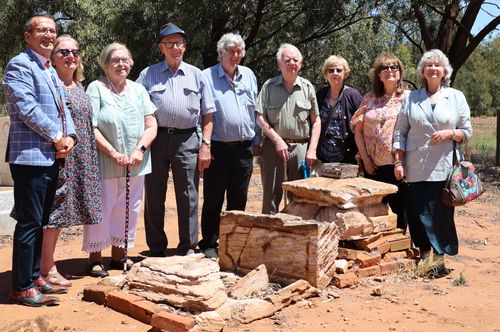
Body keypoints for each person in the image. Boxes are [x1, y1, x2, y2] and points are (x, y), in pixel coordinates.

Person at [3, 14, 76, 306]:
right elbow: (26, 108)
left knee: (41, 221)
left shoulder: (48, 68)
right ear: (27, 36)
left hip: (50, 155)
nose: (48, 35)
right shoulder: (20, 64)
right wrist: (57, 137)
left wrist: (69, 136)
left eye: (52, 31)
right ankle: (21, 286)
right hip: (30, 156)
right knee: (29, 222)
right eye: (42, 30)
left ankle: (35, 277)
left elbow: (62, 108)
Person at [137, 23, 215, 257]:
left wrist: (205, 145)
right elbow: (136, 107)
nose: (175, 48)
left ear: (185, 46)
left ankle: (188, 246)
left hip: (187, 139)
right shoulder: (147, 74)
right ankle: (156, 247)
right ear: (161, 48)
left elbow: (208, 114)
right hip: (156, 139)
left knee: (188, 194)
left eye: (179, 43)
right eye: (169, 44)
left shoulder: (196, 75)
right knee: (153, 193)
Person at [393, 49, 472, 277]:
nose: (433, 68)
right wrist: (399, 162)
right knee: (417, 213)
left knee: (440, 214)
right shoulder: (411, 98)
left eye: (438, 65)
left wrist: (449, 134)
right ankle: (424, 255)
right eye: (429, 65)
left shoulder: (456, 97)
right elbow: (400, 132)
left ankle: (438, 260)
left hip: (445, 166)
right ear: (422, 71)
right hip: (416, 165)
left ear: (445, 71)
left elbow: (467, 132)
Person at [83, 43, 157, 277]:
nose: (120, 64)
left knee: (129, 208)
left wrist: (140, 150)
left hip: (136, 164)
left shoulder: (139, 90)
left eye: (125, 60)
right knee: (102, 210)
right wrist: (113, 153)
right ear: (105, 64)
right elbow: (89, 126)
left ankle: (119, 255)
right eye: (115, 60)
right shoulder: (96, 88)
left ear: (131, 63)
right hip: (105, 163)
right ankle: (95, 258)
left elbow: (152, 124)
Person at [39, 35, 103, 286]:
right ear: (53, 58)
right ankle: (47, 267)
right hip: (61, 156)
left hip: (83, 159)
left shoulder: (80, 88)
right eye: (63, 51)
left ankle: (45, 265)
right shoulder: (50, 84)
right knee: (54, 213)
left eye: (75, 51)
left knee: (63, 213)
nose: (71, 56)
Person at [199, 33, 258, 258]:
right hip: (218, 148)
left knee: (239, 197)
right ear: (221, 53)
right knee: (213, 197)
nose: (235, 55)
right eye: (230, 51)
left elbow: (254, 111)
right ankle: (210, 243)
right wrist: (203, 146)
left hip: (244, 148)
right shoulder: (206, 77)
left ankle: (234, 242)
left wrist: (257, 142)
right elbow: (201, 114)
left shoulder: (249, 75)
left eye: (238, 51)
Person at [256, 43, 320, 214]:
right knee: (270, 197)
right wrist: (277, 140)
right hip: (273, 148)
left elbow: (316, 120)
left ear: (300, 63)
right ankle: (269, 235)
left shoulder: (307, 87)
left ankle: (297, 237)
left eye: (295, 60)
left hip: (300, 149)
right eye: (287, 60)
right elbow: (259, 117)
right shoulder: (268, 86)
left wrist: (312, 149)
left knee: (301, 198)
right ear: (279, 64)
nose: (292, 63)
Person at [351, 53, 409, 230]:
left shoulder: (408, 97)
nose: (390, 71)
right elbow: (358, 130)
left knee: (400, 208)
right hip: (373, 165)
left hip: (398, 163)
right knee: (374, 208)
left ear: (400, 72)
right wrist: (365, 159)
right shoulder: (369, 98)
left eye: (394, 67)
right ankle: (377, 246)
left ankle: (399, 247)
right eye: (385, 68)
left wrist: (402, 162)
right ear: (378, 74)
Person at [316, 55, 362, 164]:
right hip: (322, 158)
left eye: (339, 70)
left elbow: (361, 125)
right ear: (326, 74)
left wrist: (360, 154)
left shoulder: (353, 95)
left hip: (347, 158)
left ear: (345, 73)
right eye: (331, 70)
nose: (335, 73)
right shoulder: (320, 94)